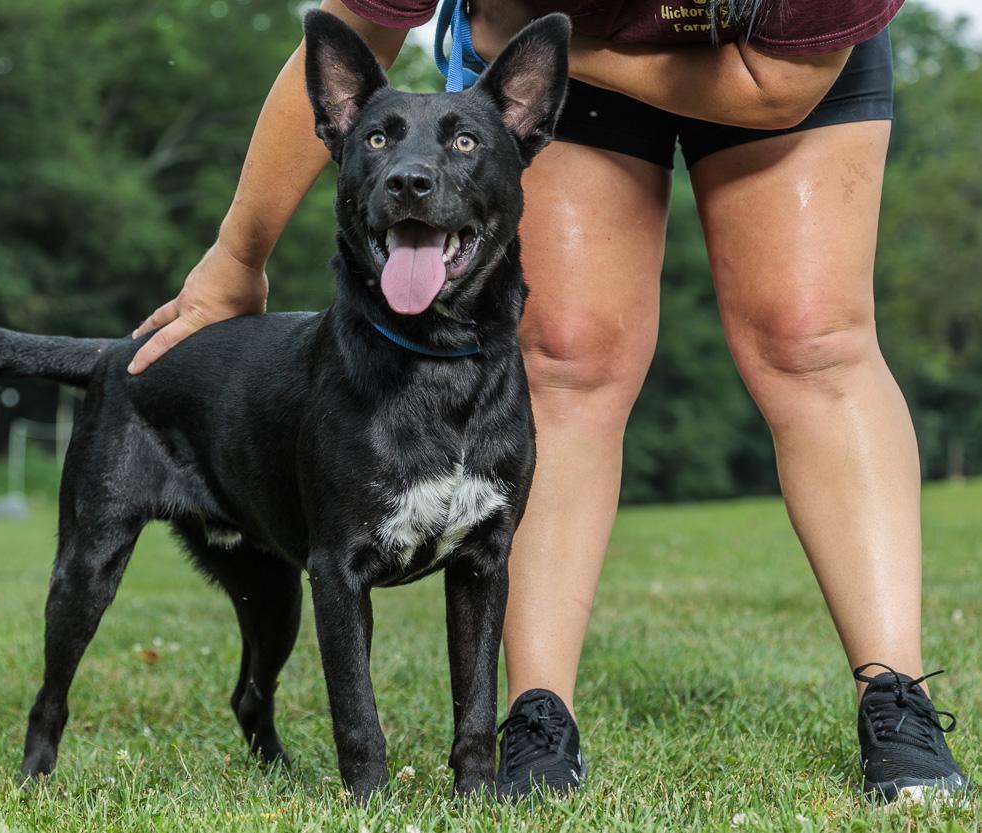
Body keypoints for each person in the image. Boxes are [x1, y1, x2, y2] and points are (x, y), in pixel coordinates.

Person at [127, 0, 970, 801]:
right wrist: (238, 256)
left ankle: (893, 695)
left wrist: (531, 58)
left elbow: (776, 86)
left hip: (769, 59)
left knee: (810, 337)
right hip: (552, 51)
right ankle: (537, 712)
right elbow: (360, 26)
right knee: (568, 353)